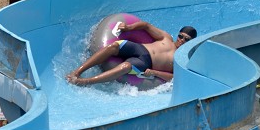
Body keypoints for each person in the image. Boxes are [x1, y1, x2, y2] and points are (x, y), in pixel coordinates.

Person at [67, 21, 197, 86]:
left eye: (186, 39)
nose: (182, 40)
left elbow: (174, 77)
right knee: (114, 46)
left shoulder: (181, 59)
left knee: (126, 67)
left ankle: (86, 82)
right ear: (177, 35)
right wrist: (129, 27)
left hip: (145, 63)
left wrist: (155, 73)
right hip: (139, 49)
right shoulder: (166, 38)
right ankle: (77, 71)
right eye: (181, 36)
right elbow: (146, 26)